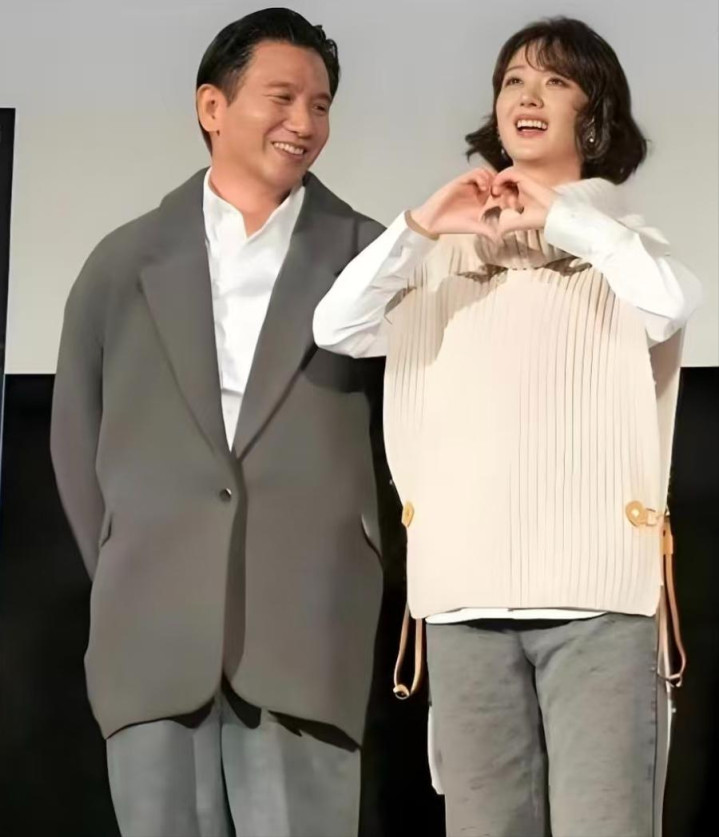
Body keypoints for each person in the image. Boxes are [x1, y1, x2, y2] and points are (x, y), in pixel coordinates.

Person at [313, 16, 702, 837]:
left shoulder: (624, 249)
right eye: (513, 81)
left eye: (556, 81)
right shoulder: (438, 259)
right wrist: (419, 227)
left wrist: (565, 221)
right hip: (463, 596)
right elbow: (335, 326)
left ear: (593, 116)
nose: (528, 96)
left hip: (595, 599)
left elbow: (670, 305)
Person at [51, 8, 388, 836]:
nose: (304, 122)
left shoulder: (370, 258)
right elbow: (75, 436)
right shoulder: (124, 261)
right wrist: (130, 552)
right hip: (152, 631)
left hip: (307, 623)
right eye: (282, 97)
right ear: (212, 106)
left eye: (320, 105)